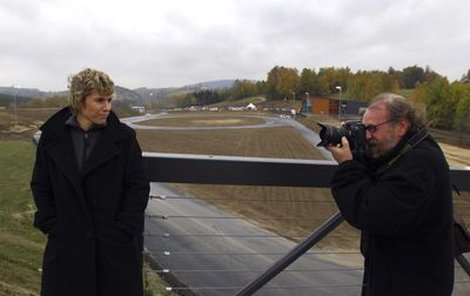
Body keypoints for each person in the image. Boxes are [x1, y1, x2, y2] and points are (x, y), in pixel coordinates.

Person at [31, 68, 150, 296]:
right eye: (99, 100)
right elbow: (41, 184)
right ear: (79, 100)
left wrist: (123, 228)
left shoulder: (124, 138)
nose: (107, 107)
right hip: (67, 247)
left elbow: (138, 186)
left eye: (109, 100)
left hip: (114, 250)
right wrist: (51, 224)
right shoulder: (52, 138)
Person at [325, 93, 454, 295]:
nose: (367, 135)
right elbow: (385, 171)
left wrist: (347, 167)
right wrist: (357, 150)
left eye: (372, 129)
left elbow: (371, 211)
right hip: (402, 275)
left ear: (401, 127)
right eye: (363, 127)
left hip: (412, 284)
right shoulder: (412, 148)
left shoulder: (421, 164)